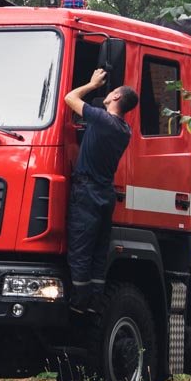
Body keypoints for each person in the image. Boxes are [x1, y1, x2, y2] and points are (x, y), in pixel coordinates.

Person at [63, 69, 139, 313]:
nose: (107, 94)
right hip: (105, 193)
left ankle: (79, 302)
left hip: (87, 192)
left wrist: (92, 83)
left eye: (111, 92)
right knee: (98, 251)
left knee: (81, 247)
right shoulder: (124, 130)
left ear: (116, 97)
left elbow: (70, 98)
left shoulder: (102, 119)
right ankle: (95, 301)